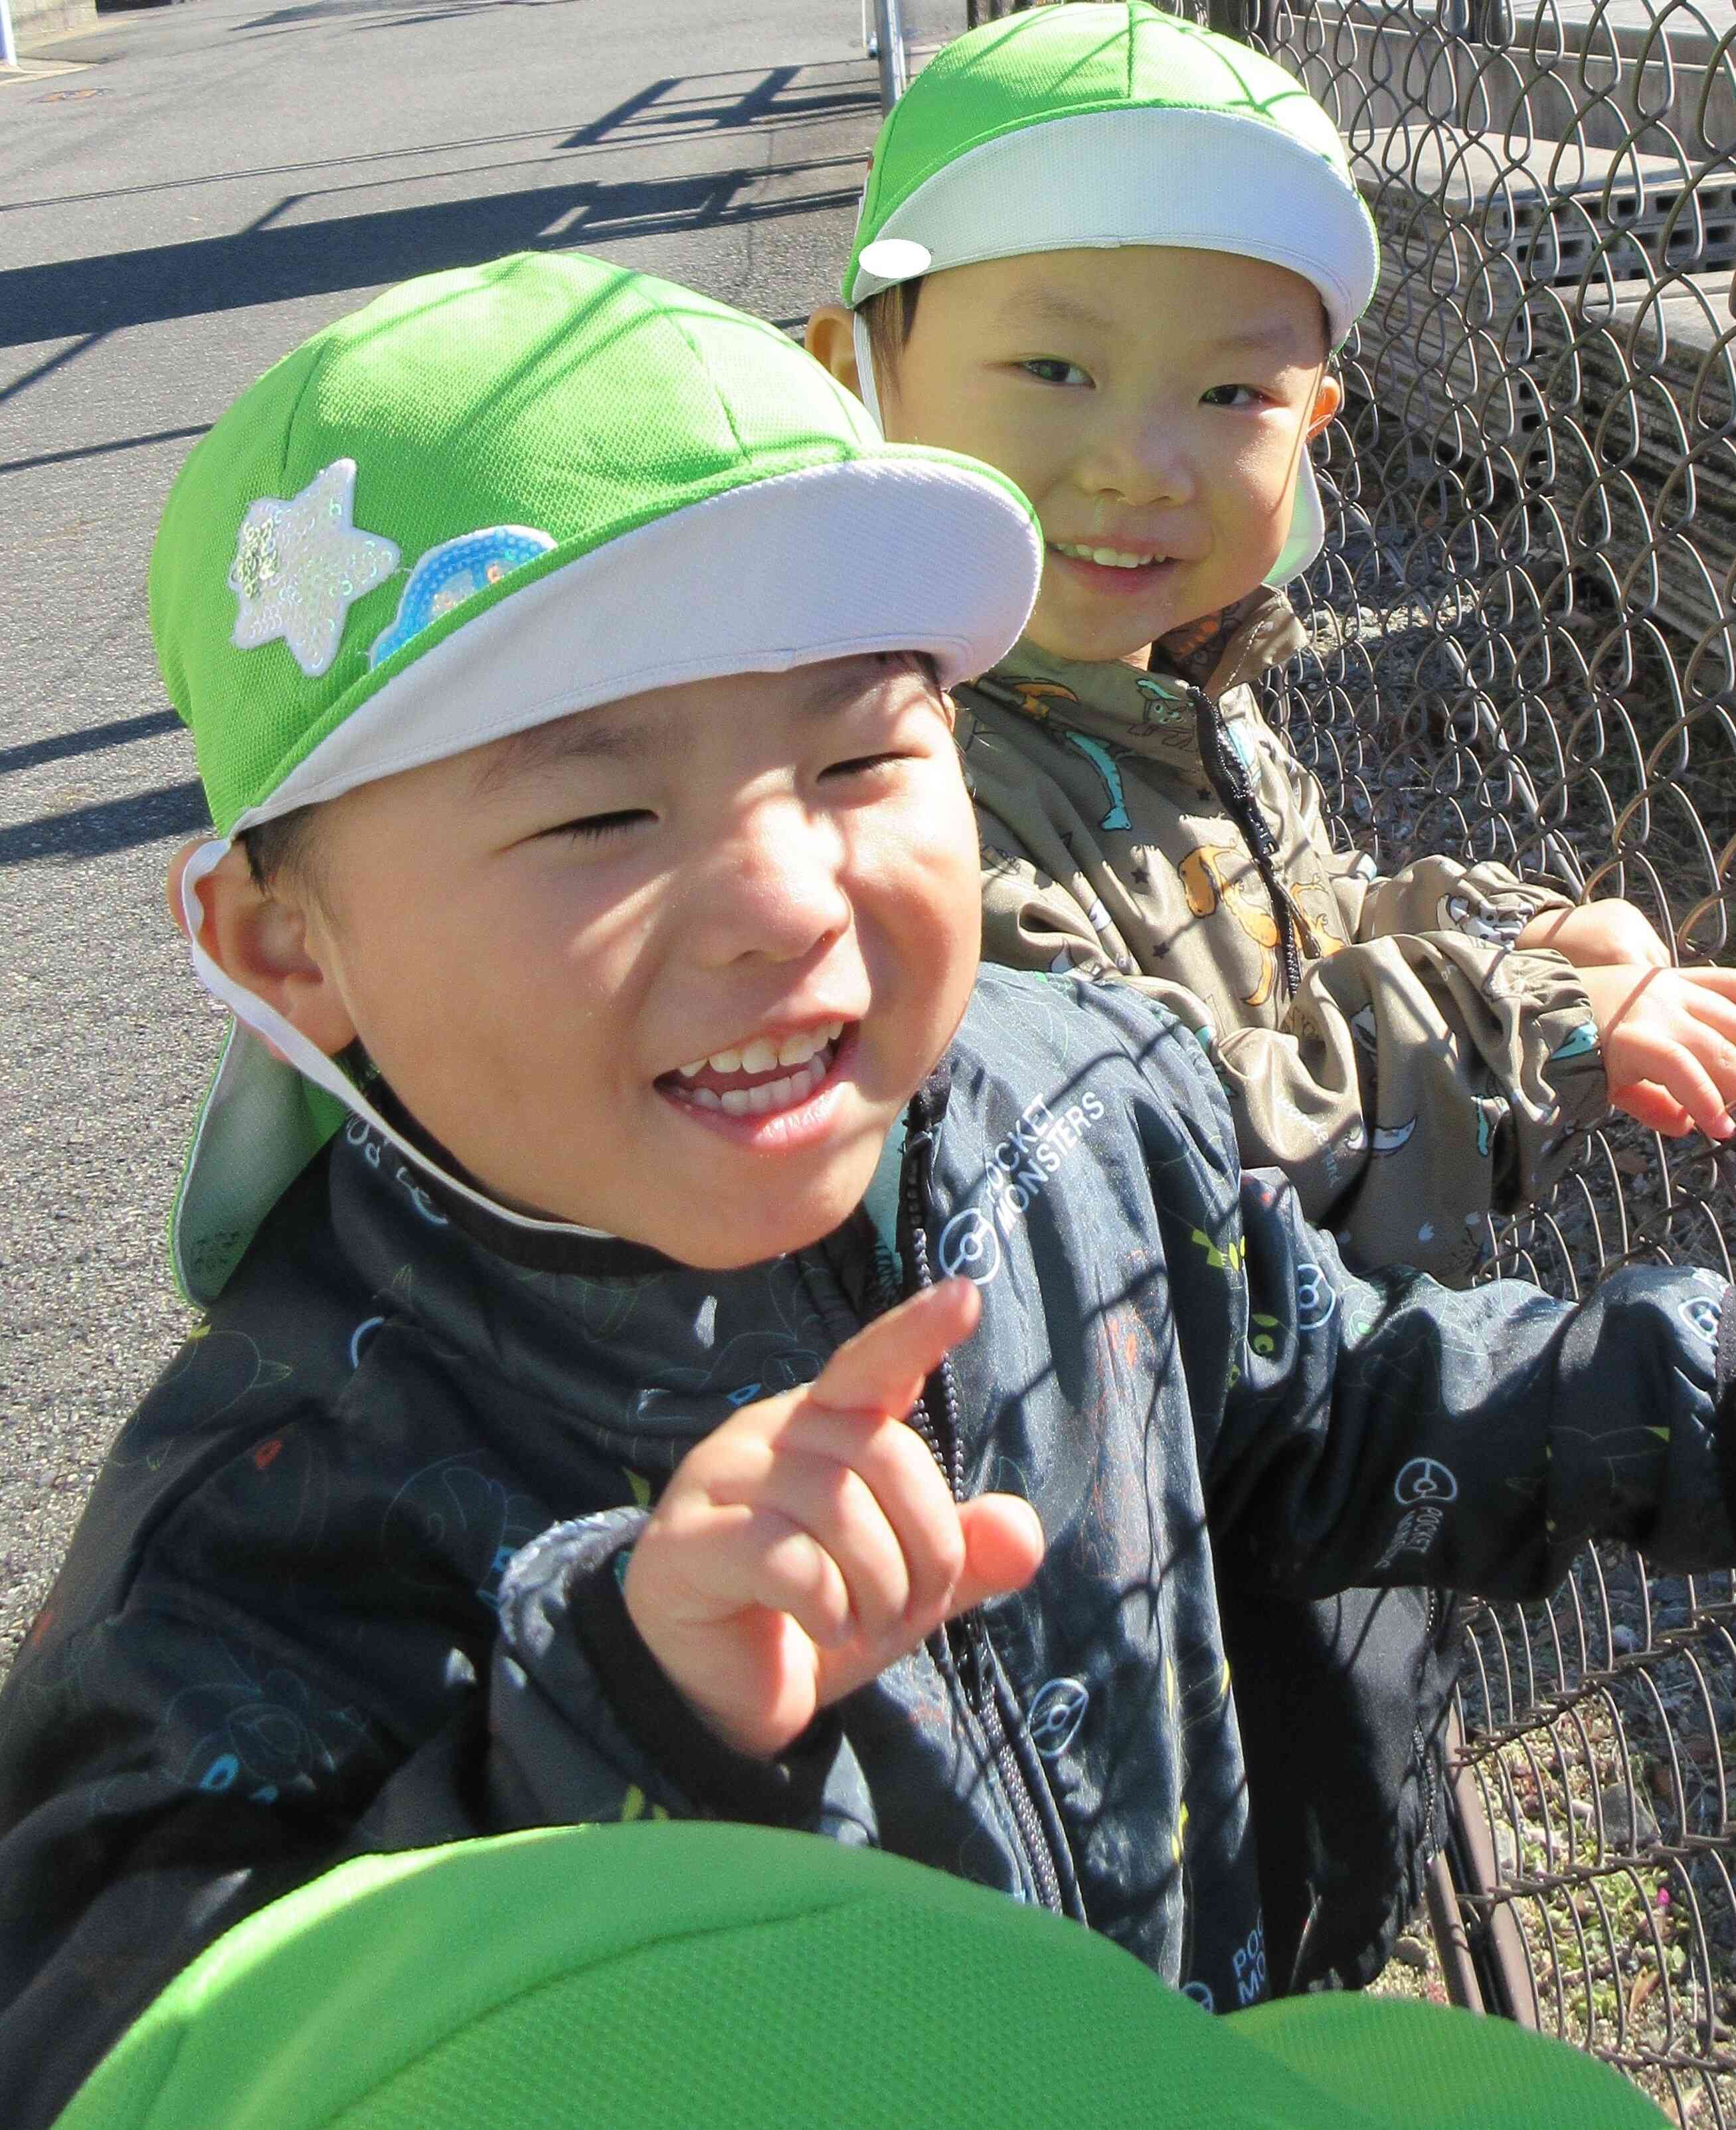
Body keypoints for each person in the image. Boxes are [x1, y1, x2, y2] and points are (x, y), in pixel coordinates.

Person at [2, 249, 1733, 2130]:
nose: (784, 899)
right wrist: (625, 1731)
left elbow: (1316, 1407)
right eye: (598, 813)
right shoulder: (264, 1521)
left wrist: (1676, 1394)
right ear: (287, 952)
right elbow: (140, 2042)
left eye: (859, 751)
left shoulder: (1076, 1092)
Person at [802, 0, 1736, 1989]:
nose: (1139, 463)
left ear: (1317, 423)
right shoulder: (885, 788)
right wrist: (1529, 1025)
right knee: (1226, 1948)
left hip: (1295, 1517)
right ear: (860, 373)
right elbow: (1162, 1147)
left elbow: (1295, 920)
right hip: (1135, 1594)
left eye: (1235, 392)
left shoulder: (1157, 688)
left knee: (1340, 1841)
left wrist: (1517, 921)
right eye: (1051, 364)